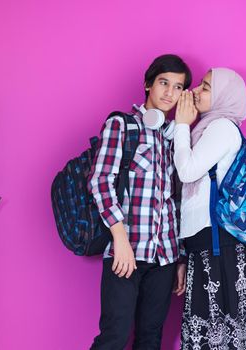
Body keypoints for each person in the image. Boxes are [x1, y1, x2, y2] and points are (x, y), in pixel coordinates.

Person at [88, 54, 191, 350]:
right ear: (148, 84)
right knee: (113, 337)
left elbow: (178, 202)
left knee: (150, 340)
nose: (169, 93)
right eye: (163, 83)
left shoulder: (176, 139)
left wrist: (180, 259)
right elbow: (100, 180)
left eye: (178, 87)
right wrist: (119, 239)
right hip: (126, 252)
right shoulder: (122, 125)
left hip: (165, 258)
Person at [174, 68, 246, 349]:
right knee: (213, 333)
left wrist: (181, 125)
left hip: (223, 245)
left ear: (222, 97)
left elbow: (187, 171)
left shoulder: (222, 128)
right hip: (207, 243)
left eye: (206, 88)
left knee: (228, 334)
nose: (197, 92)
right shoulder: (205, 129)